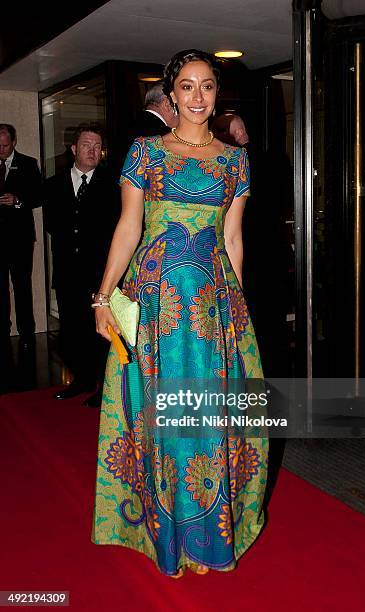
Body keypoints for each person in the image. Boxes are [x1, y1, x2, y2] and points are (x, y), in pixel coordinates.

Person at [92, 50, 268, 576]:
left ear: (218, 94)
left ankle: (207, 535)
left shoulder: (235, 161)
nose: (197, 97)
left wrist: (238, 309)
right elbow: (129, 228)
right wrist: (104, 297)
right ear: (170, 95)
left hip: (214, 306)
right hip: (156, 302)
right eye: (186, 87)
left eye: (207, 86)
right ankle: (165, 533)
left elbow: (233, 240)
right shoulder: (144, 153)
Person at [43, 124, 120, 407]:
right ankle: (82, 379)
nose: (92, 150)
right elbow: (54, 225)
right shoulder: (53, 184)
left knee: (101, 332)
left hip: (100, 274)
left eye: (97, 146)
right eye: (87, 145)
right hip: (66, 273)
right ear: (74, 149)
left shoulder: (114, 184)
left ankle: (104, 387)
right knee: (72, 330)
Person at [0, 123, 42, 349]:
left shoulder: (28, 163)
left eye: (5, 145)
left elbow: (38, 195)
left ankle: (27, 334)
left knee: (22, 287)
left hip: (20, 238)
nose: (1, 149)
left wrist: (17, 200)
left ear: (14, 142)